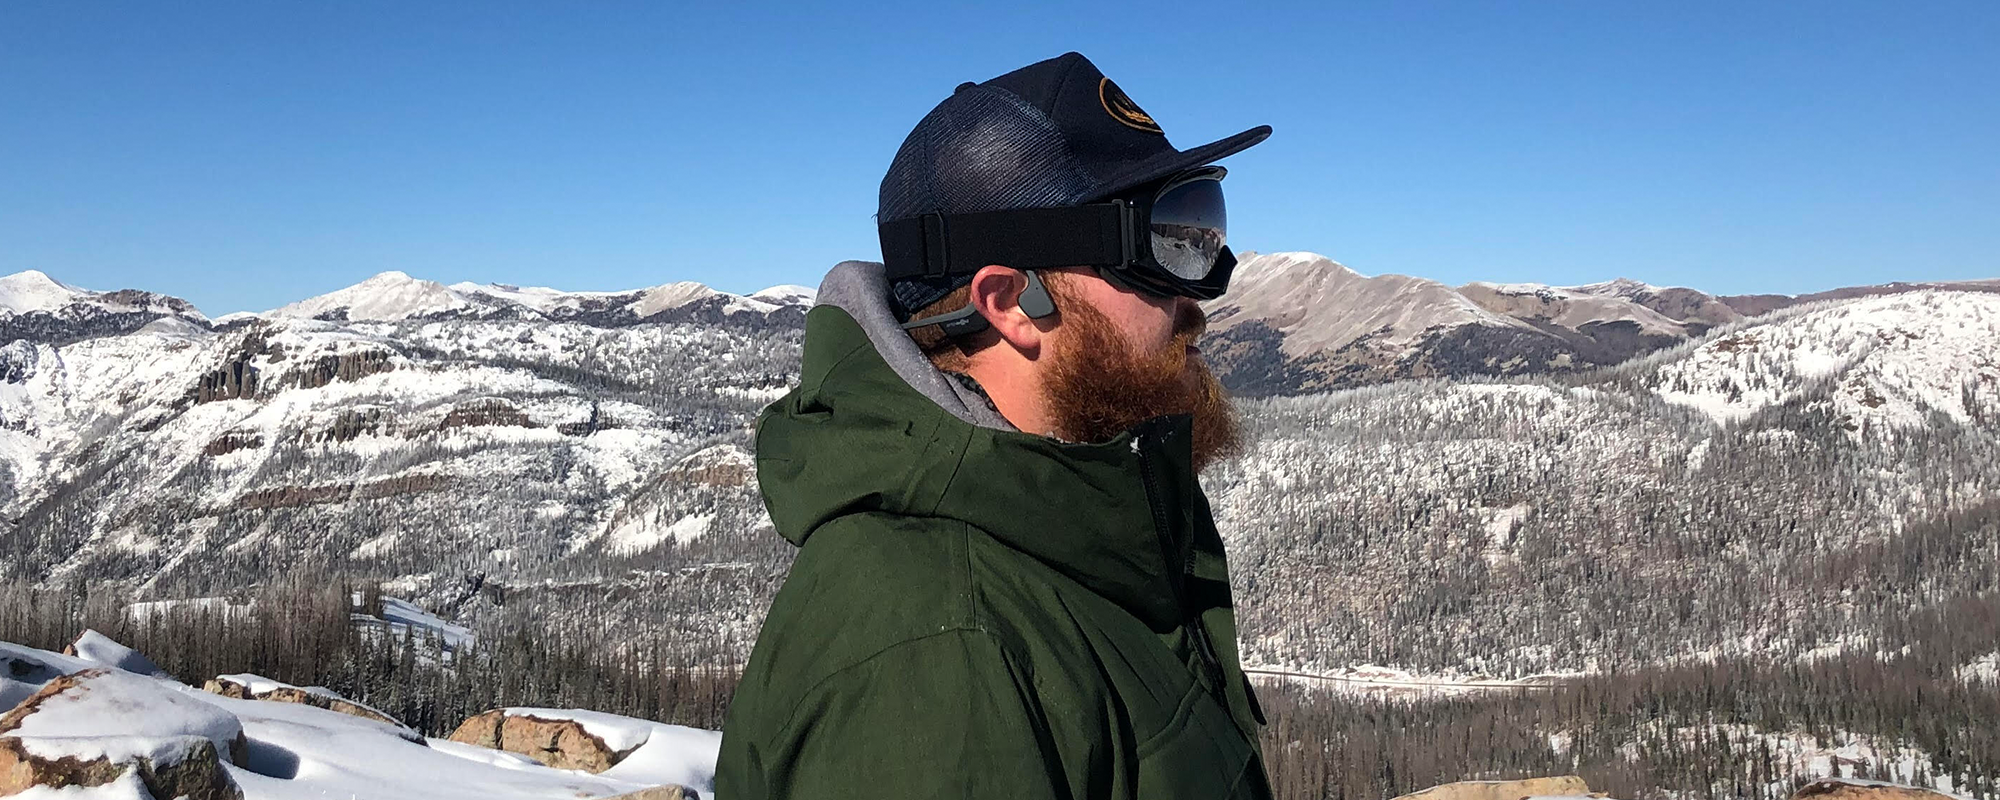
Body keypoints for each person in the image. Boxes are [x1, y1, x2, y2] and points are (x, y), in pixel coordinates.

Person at [716, 52, 1275, 799]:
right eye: (1162, 244)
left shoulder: (1064, 533)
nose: (1198, 297)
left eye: (1203, 227)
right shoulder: (938, 658)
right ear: (1010, 301)